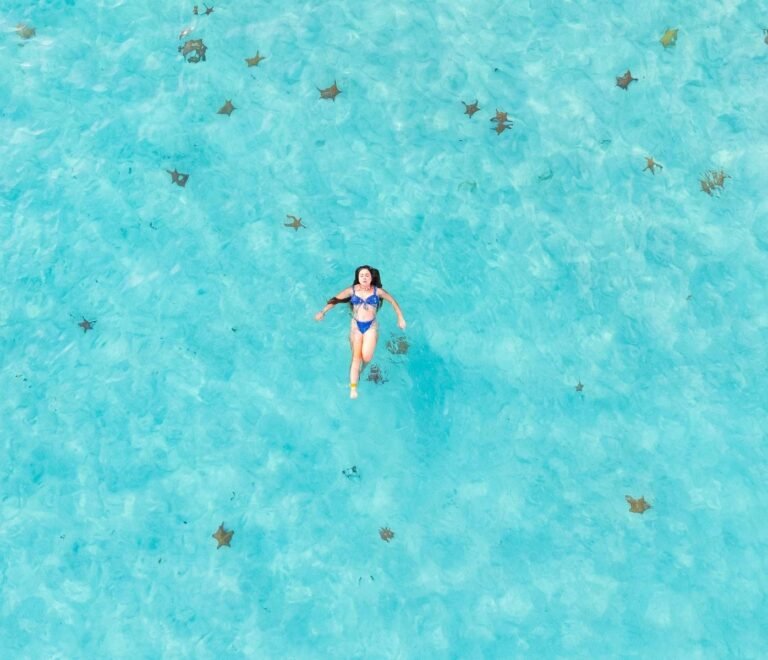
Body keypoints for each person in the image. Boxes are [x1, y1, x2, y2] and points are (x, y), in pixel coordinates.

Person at [315, 265, 406, 398]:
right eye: (361, 275)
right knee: (356, 357)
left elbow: (393, 301)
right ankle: (353, 388)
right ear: (357, 278)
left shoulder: (378, 291)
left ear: (371, 278)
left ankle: (361, 372)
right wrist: (322, 311)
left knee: (367, 357)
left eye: (367, 275)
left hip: (371, 326)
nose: (364, 277)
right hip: (356, 326)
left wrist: (400, 318)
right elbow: (336, 299)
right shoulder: (352, 290)